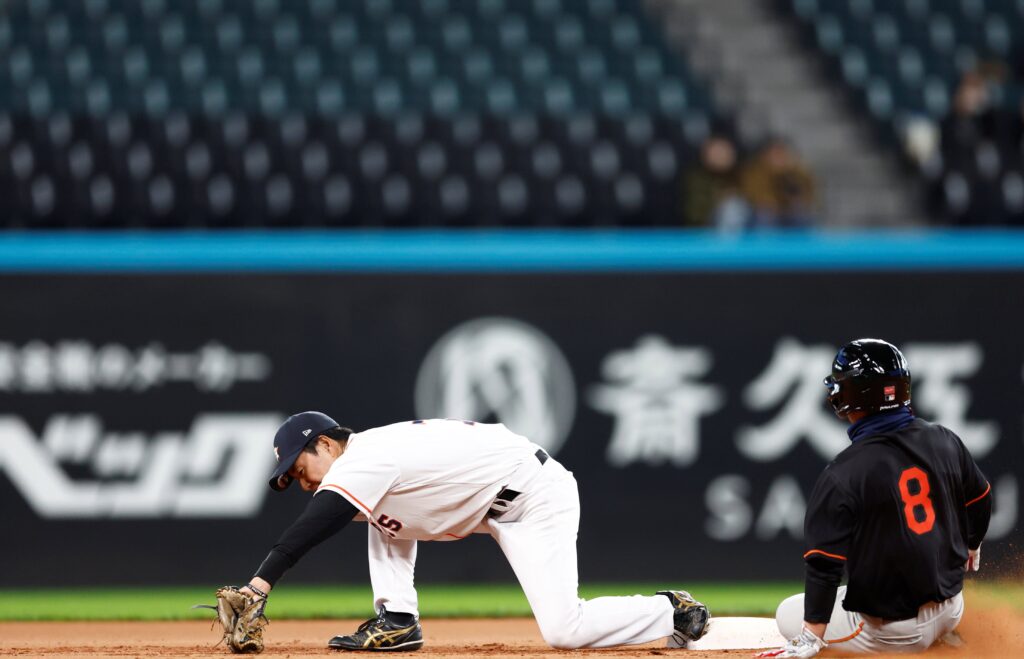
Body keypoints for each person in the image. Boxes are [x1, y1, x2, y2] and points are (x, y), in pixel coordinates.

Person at [233, 413, 710, 651]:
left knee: (565, 629)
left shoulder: (362, 458)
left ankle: (668, 610)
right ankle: (397, 619)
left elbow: (314, 524)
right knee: (376, 513)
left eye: (300, 468)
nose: (303, 482)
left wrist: (258, 585)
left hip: (535, 496)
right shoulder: (369, 462)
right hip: (499, 499)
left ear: (324, 444)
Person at [760, 339, 991, 658]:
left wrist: (811, 637)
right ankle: (943, 636)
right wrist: (972, 544)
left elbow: (824, 564)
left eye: (842, 384)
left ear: (855, 396)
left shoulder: (844, 472)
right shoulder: (944, 439)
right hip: (952, 608)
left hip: (893, 632)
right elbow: (981, 497)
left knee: (787, 613)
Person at [739, 138, 817, 228]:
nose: (778, 158)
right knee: (764, 215)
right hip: (767, 212)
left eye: (781, 153)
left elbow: (807, 195)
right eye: (775, 154)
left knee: (801, 214)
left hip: (789, 212)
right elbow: (759, 199)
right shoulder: (755, 172)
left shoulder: (797, 172)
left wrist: (788, 176)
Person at [680, 134, 750, 231]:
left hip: (745, 231)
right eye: (715, 152)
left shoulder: (743, 176)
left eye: (723, 151)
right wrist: (718, 198)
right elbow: (695, 214)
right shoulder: (696, 179)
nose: (720, 156)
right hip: (706, 232)